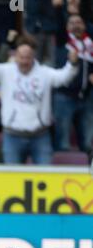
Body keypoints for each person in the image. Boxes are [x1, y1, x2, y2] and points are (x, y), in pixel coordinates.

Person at [0, 30, 79, 165]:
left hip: (40, 136)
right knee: (13, 180)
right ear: (16, 56)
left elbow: (64, 78)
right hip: (12, 136)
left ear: (34, 56)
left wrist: (72, 64)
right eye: (21, 57)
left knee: (45, 179)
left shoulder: (44, 73)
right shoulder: (6, 71)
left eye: (28, 57)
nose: (24, 61)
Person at [53, 15, 93, 154]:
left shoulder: (89, 44)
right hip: (65, 97)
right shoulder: (63, 42)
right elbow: (58, 23)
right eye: (72, 23)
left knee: (87, 142)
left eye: (79, 22)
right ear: (66, 27)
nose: (76, 25)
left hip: (86, 98)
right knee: (63, 141)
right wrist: (59, 9)